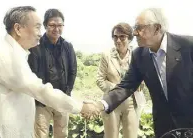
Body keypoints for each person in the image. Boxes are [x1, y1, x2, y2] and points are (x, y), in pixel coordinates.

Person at [0, 6, 89, 138]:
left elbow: (72, 70)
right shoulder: (6, 55)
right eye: (37, 27)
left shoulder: (18, 53)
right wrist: (80, 107)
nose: (40, 33)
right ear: (18, 29)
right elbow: (38, 88)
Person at [84, 8, 193, 138]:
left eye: (139, 28)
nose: (134, 33)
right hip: (164, 128)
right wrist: (100, 104)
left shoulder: (188, 46)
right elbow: (126, 86)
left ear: (157, 28)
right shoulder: (140, 55)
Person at [28, 9, 77, 138]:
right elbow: (32, 74)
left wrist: (67, 93)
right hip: (42, 101)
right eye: (52, 25)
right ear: (45, 26)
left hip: (62, 98)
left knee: (62, 134)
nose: (56, 29)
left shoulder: (67, 46)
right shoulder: (35, 46)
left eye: (60, 25)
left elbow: (73, 71)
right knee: (40, 134)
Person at [96, 22, 144, 138]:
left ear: (130, 38)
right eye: (115, 37)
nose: (118, 40)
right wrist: (118, 90)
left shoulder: (137, 55)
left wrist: (140, 84)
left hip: (132, 101)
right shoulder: (106, 55)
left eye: (122, 37)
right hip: (112, 101)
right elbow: (99, 79)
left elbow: (143, 78)